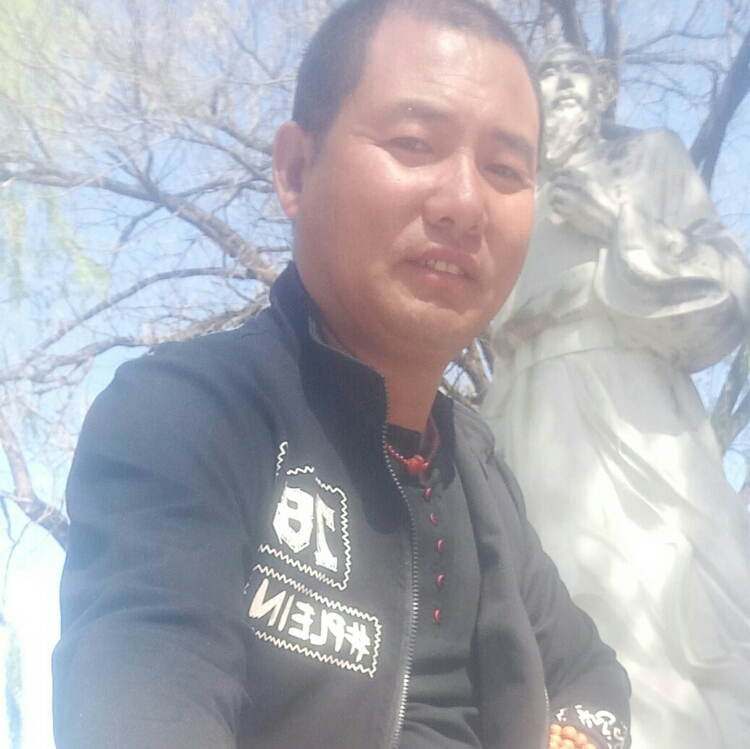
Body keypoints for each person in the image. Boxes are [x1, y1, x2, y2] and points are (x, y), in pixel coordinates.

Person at [52, 5, 631, 749]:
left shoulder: (480, 475)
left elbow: (593, 675)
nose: (465, 204)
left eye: (506, 170)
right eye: (414, 143)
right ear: (296, 171)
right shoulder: (183, 417)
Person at [481, 43, 750, 749]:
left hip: (634, 405)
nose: (563, 82)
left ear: (604, 93)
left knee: (661, 599)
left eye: (578, 71)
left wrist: (621, 226)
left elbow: (730, 288)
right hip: (523, 414)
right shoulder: (507, 192)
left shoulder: (650, 157)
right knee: (545, 602)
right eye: (548, 73)